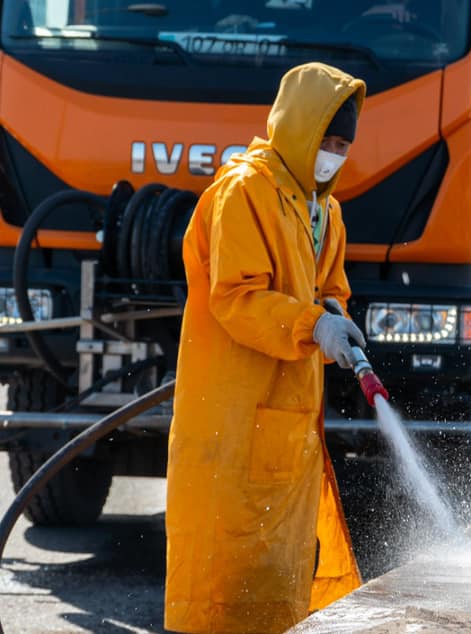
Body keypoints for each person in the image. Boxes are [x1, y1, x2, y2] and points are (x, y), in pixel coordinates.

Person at [164, 62, 366, 633]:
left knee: (277, 593)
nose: (332, 153)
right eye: (325, 139)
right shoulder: (244, 191)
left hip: (286, 423)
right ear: (297, 127)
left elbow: (329, 289)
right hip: (233, 422)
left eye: (343, 143)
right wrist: (312, 326)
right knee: (221, 595)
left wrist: (334, 316)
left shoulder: (325, 211)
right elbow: (236, 297)